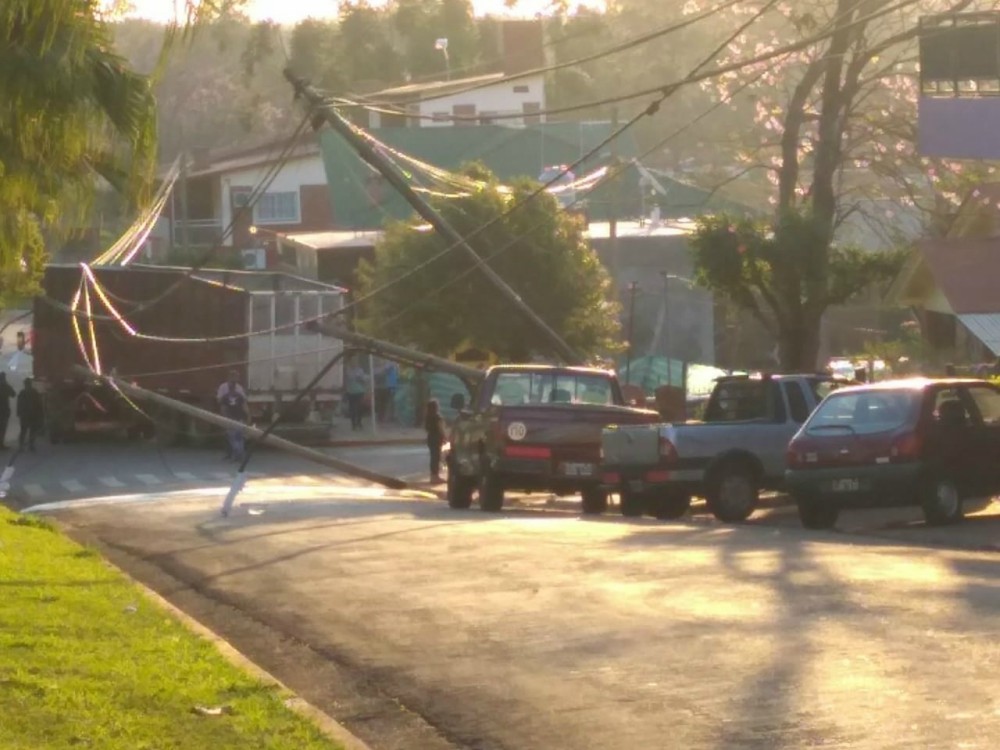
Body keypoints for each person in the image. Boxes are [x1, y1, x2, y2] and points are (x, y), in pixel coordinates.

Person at [217, 370, 250, 462]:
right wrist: (248, 417)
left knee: (233, 438)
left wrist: (224, 418)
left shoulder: (226, 396)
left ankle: (236, 455)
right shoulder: (239, 394)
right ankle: (238, 455)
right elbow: (245, 406)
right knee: (239, 438)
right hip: (238, 418)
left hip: (231, 418)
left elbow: (222, 406)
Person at [16, 377, 44, 452]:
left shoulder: (22, 392)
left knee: (24, 430)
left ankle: (22, 445)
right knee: (32, 430)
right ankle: (31, 444)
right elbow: (39, 403)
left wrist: (19, 413)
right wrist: (41, 413)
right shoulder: (34, 392)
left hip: (25, 415)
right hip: (32, 414)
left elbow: (19, 404)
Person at [424, 398, 447, 483]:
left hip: (430, 438)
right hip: (437, 438)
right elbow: (441, 428)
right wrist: (445, 437)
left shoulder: (428, 416)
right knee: (436, 457)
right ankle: (435, 476)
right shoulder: (438, 417)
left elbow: (426, 428)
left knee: (433, 457)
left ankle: (433, 476)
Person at [345, 362, 367, 431]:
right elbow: (346, 380)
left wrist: (361, 378)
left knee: (360, 408)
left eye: (355, 361)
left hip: (360, 391)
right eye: (352, 361)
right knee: (352, 409)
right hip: (350, 391)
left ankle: (359, 422)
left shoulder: (360, 370)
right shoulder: (347, 370)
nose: (354, 363)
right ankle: (353, 424)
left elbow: (364, 380)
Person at [0, 373, 15, 449]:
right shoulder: (6, 386)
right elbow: (13, 394)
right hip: (4, 410)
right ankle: (1, 444)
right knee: (2, 428)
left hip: (3, 411)